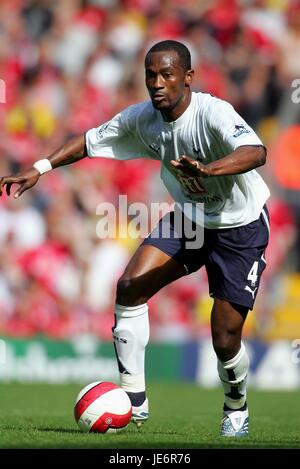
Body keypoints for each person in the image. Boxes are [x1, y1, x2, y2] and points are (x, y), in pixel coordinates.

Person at [0, 40, 270, 437]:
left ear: (188, 77)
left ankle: (236, 404)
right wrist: (40, 167)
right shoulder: (142, 118)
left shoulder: (213, 113)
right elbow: (88, 142)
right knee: (129, 286)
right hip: (191, 220)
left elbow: (256, 151)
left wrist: (210, 171)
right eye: (150, 75)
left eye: (167, 74)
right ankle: (134, 401)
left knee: (224, 337)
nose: (157, 83)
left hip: (240, 226)